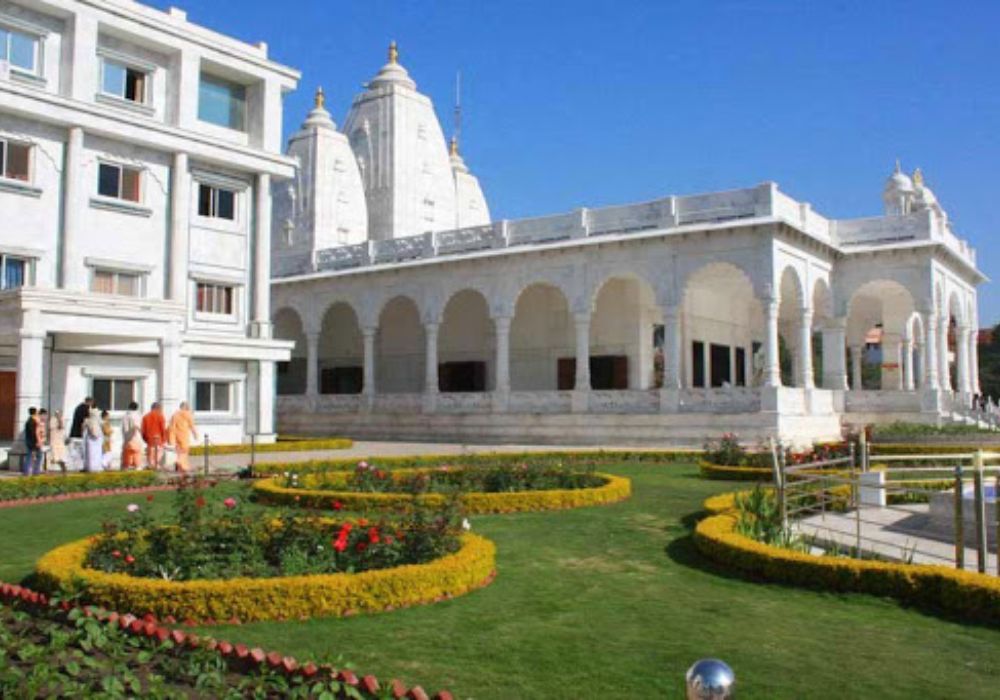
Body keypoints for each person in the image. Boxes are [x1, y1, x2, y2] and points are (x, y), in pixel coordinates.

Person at [167, 402, 198, 473]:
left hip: (176, 436)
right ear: (186, 407)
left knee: (179, 451)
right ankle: (180, 463)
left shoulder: (175, 414)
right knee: (184, 451)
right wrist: (195, 434)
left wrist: (171, 438)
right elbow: (192, 425)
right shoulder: (188, 414)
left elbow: (172, 427)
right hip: (184, 435)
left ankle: (181, 467)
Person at [141, 403, 168, 470]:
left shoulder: (145, 417)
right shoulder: (160, 416)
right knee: (158, 454)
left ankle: (152, 466)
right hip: (159, 440)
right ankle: (155, 466)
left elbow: (143, 431)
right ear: (158, 408)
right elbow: (163, 429)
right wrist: (164, 439)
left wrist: (145, 439)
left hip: (149, 440)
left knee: (150, 455)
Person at [120, 402, 144, 470]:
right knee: (136, 453)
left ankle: (126, 466)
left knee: (127, 454)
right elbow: (139, 427)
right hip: (136, 437)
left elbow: (124, 428)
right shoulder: (138, 416)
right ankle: (137, 466)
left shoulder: (125, 416)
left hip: (127, 438)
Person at [82, 407, 104, 472]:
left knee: (93, 453)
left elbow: (83, 427)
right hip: (93, 439)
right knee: (93, 453)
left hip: (93, 438)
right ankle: (93, 466)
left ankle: (93, 466)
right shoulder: (90, 420)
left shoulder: (89, 420)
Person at [22, 407, 41, 477]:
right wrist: (37, 441)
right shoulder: (32, 421)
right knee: (38, 456)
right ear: (35, 412)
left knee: (29, 456)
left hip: (29, 441)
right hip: (33, 441)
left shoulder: (29, 420)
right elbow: (34, 433)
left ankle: (27, 472)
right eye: (37, 412)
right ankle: (35, 472)